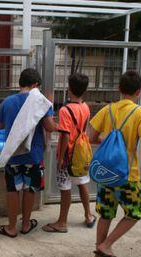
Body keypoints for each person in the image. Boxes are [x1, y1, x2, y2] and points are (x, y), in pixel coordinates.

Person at [89, 70, 141, 257]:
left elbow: (92, 138)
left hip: (107, 174)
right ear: (138, 92)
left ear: (118, 89)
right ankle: (106, 245)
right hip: (128, 176)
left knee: (105, 213)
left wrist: (110, 140)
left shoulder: (107, 110)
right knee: (135, 213)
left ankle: (98, 256)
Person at [0, 68, 57, 238]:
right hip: (33, 155)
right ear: (36, 85)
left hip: (12, 154)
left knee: (13, 189)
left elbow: (0, 125)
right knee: (30, 189)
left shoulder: (7, 101)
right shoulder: (40, 102)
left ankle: (12, 227)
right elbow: (50, 127)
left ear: (20, 83)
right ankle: (26, 224)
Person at [42, 73, 96, 234]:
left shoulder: (66, 110)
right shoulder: (86, 107)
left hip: (68, 155)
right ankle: (88, 215)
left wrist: (61, 159)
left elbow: (65, 134)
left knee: (65, 188)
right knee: (82, 183)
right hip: (81, 153)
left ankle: (62, 222)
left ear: (69, 88)